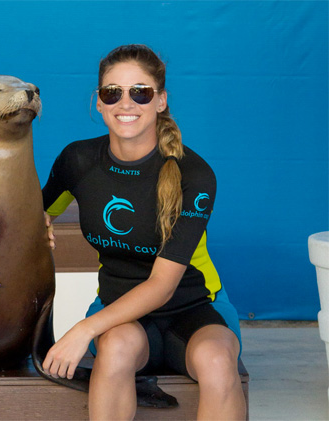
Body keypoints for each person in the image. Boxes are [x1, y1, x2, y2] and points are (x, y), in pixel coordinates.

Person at [41, 44, 245, 420]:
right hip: (120, 315)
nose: (126, 103)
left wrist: (82, 330)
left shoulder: (194, 176)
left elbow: (162, 286)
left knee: (217, 361)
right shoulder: (78, 160)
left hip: (196, 309)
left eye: (140, 92)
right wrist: (39, 225)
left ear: (161, 100)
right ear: (99, 103)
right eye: (112, 92)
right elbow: (37, 211)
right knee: (116, 348)